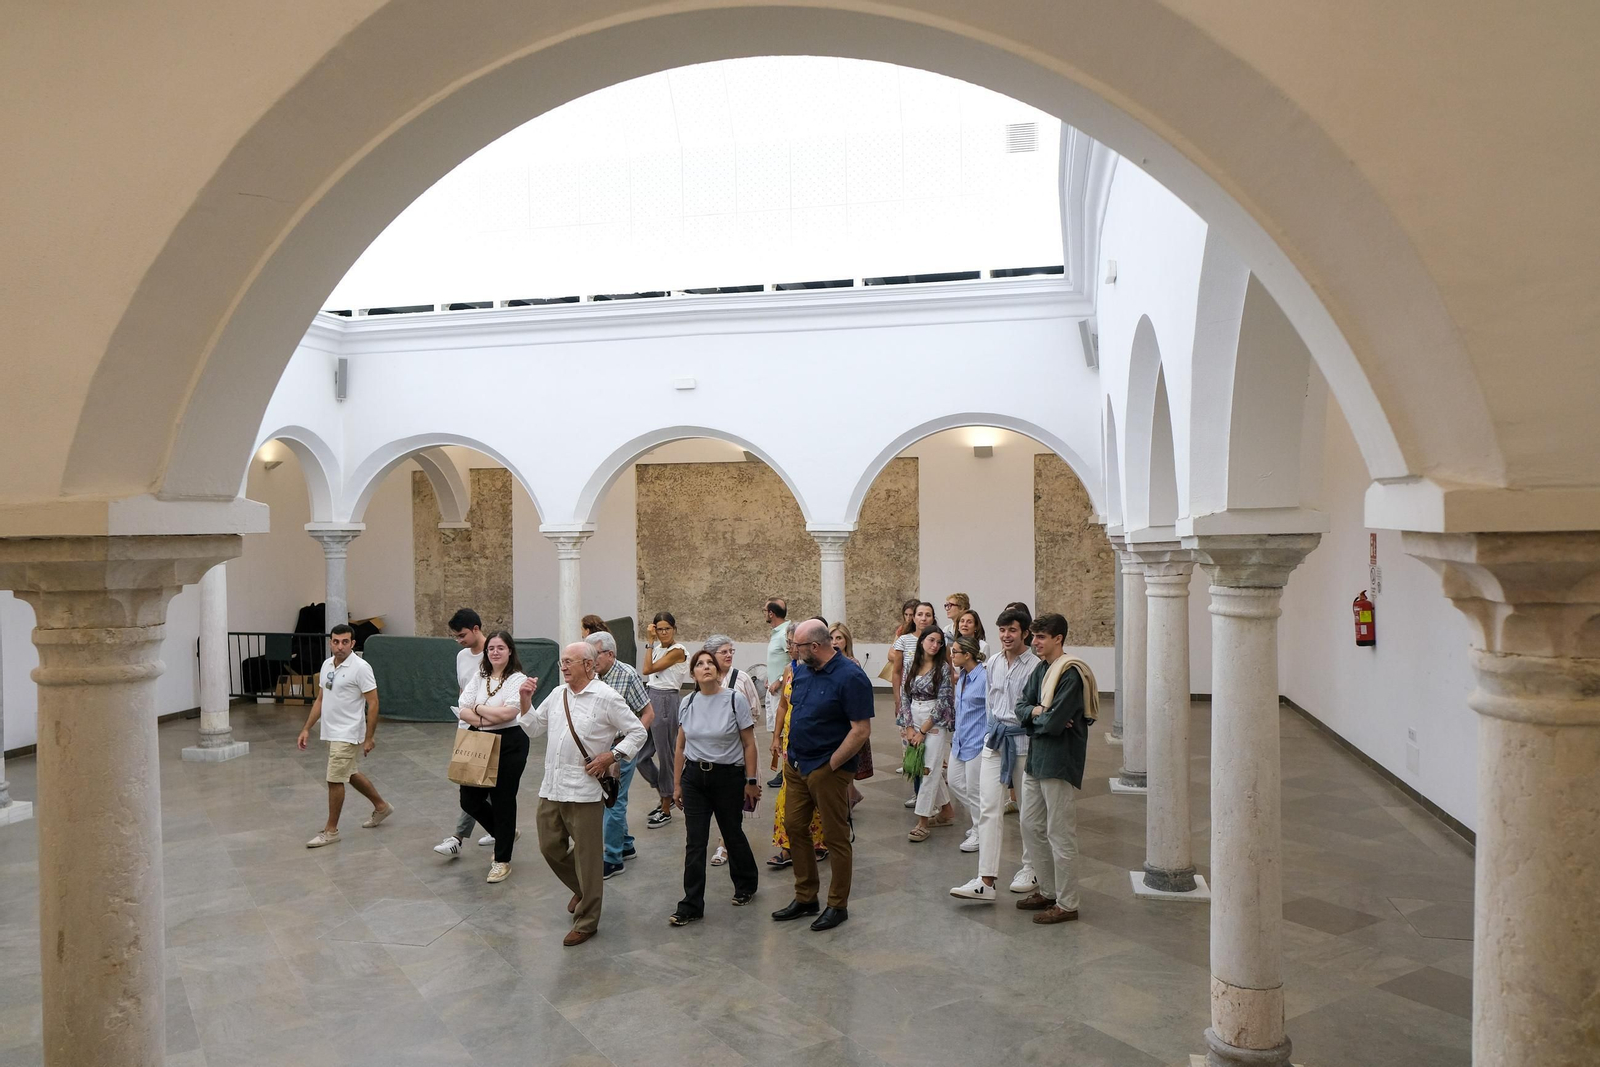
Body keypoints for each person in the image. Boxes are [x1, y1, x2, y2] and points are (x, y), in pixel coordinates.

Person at [523, 641, 647, 947]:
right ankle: (582, 888)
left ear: (589, 666)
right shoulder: (557, 694)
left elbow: (638, 731)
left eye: (569, 662)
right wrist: (525, 700)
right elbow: (535, 728)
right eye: (561, 662)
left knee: (588, 857)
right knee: (549, 846)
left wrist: (611, 756)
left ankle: (588, 920)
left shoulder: (606, 697)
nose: (563, 666)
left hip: (585, 790)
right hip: (552, 786)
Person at [772, 619, 873, 931]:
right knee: (794, 826)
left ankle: (837, 905)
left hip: (828, 768)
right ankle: (806, 897)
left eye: (798, 646)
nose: (794, 650)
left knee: (834, 836)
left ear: (814, 647)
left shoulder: (851, 676)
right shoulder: (802, 670)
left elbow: (860, 730)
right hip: (798, 763)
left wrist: (830, 766)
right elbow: (793, 709)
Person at [950, 606, 1041, 902]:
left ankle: (1031, 868)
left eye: (1012, 630)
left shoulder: (1036, 666)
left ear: (1025, 633)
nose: (1006, 635)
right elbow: (990, 703)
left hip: (1024, 743)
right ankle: (985, 880)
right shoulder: (993, 664)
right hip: (995, 741)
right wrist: (990, 733)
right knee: (990, 807)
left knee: (1028, 812)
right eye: (1002, 630)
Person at [1014, 613, 1098, 923]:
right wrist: (1037, 712)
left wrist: (1037, 718)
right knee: (1030, 825)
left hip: (1059, 760)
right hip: (1037, 759)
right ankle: (1047, 890)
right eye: (1033, 636)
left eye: (1040, 637)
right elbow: (1021, 705)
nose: (1033, 642)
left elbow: (1050, 724)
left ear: (1058, 639)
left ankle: (1067, 903)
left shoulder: (1070, 674)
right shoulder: (1041, 670)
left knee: (1060, 832)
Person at [669, 649, 761, 925]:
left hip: (728, 778)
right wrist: (676, 784)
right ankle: (691, 904)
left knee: (732, 833)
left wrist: (751, 781)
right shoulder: (688, 702)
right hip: (695, 778)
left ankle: (746, 883)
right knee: (695, 842)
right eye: (700, 664)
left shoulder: (734, 700)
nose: (706, 667)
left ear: (718, 671)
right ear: (693, 672)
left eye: (710, 663)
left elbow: (749, 743)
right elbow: (680, 746)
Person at [297, 624, 392, 847]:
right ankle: (381, 807)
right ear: (330, 642)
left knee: (334, 779)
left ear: (352, 643)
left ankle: (331, 831)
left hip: (348, 733)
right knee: (349, 773)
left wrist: (369, 737)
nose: (340, 646)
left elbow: (373, 702)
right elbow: (321, 699)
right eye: (336, 641)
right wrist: (306, 728)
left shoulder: (361, 668)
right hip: (332, 731)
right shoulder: (327, 664)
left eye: (345, 642)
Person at [454, 631, 535, 883]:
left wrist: (476, 709)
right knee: (469, 799)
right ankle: (505, 833)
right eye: (491, 648)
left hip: (510, 742)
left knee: (503, 799)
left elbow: (509, 714)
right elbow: (461, 705)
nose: (495, 652)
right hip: (479, 740)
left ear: (510, 651)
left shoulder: (517, 679)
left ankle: (502, 860)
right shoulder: (480, 675)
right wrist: (484, 714)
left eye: (500, 647)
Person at [587, 631, 655, 878]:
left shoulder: (627, 676)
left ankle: (612, 858)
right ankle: (625, 844)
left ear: (610, 654)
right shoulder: (591, 676)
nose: (590, 660)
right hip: (597, 749)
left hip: (620, 749)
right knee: (609, 798)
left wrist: (629, 744)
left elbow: (648, 714)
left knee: (613, 800)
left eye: (594, 655)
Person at [435, 608, 493, 857]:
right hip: (466, 726)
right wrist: (462, 719)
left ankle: (458, 837)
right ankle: (502, 828)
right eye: (456, 637)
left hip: (490, 726)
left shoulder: (495, 652)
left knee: (474, 785)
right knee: (479, 784)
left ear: (476, 629)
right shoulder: (461, 656)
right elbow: (463, 691)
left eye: (462, 635)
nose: (459, 640)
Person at [704, 633, 765, 867]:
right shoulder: (705, 678)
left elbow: (755, 711)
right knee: (718, 796)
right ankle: (727, 838)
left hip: (739, 746)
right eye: (724, 651)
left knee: (736, 795)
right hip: (711, 749)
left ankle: (725, 842)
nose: (729, 655)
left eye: (731, 651)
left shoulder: (741, 679)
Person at [768, 623, 824, 870]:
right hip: (792, 739)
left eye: (793, 643)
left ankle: (819, 843)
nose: (790, 648)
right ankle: (787, 844)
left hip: (814, 742)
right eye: (789, 643)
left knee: (815, 791)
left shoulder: (817, 670)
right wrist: (776, 737)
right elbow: (783, 705)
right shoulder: (788, 671)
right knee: (789, 793)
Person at [901, 626, 956, 842]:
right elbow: (904, 695)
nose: (935, 645)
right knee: (925, 765)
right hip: (913, 716)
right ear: (922, 640)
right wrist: (909, 728)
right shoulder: (910, 664)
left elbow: (943, 701)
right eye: (931, 640)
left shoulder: (942, 668)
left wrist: (923, 729)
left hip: (934, 720)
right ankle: (947, 811)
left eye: (939, 642)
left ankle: (923, 820)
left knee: (928, 769)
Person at [638, 612, 688, 830]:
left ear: (674, 629)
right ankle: (665, 794)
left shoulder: (678, 651)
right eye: (659, 629)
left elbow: (647, 669)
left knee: (666, 755)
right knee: (640, 756)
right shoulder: (657, 649)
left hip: (666, 700)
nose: (663, 633)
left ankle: (666, 807)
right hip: (651, 698)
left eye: (667, 628)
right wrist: (652, 645)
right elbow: (648, 672)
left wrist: (648, 642)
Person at [889, 601, 937, 805]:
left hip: (932, 702)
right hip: (909, 702)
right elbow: (897, 672)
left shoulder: (937, 641)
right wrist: (898, 699)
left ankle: (931, 797)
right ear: (913, 618)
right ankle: (918, 793)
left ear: (933, 618)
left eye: (928, 615)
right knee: (913, 748)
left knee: (931, 752)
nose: (923, 618)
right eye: (920, 614)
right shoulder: (904, 641)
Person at [946, 635, 988, 853]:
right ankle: (983, 822)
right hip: (961, 740)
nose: (951, 655)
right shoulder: (962, 676)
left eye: (955, 652)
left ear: (967, 655)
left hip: (978, 742)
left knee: (974, 789)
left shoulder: (984, 678)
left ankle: (981, 831)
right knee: (954, 782)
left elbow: (991, 711)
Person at [831, 622, 872, 804]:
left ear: (846, 641)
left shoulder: (852, 664)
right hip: (834, 719)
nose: (834, 642)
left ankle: (847, 802)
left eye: (839, 638)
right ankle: (851, 795)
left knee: (845, 764)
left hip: (849, 721)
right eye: (831, 637)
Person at [763, 597, 789, 743]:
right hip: (772, 688)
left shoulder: (785, 632)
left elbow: (795, 660)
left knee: (782, 730)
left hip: (781, 689)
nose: (764, 614)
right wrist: (770, 676)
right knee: (776, 733)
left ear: (771, 613)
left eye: (765, 611)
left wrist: (780, 680)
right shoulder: (777, 632)